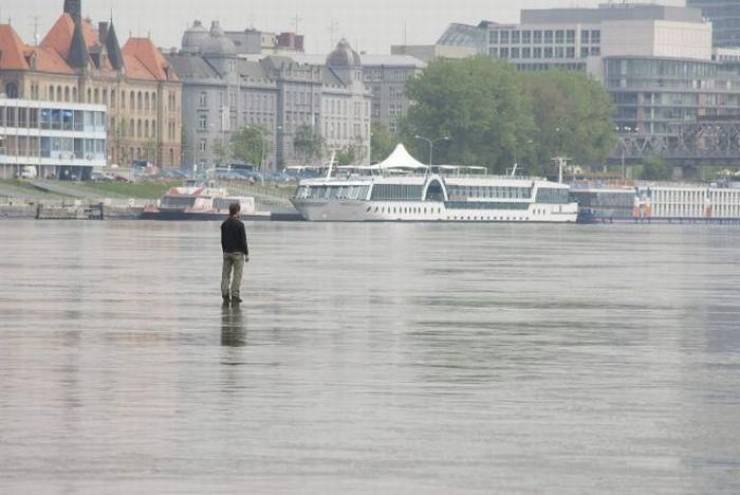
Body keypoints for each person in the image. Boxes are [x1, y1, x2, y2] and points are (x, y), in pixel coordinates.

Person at [221, 202, 249, 304]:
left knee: (225, 275)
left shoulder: (224, 224)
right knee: (237, 275)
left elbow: (222, 240)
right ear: (237, 211)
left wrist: (224, 251)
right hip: (238, 254)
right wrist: (246, 254)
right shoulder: (240, 225)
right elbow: (243, 241)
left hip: (227, 253)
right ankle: (235, 296)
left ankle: (225, 295)